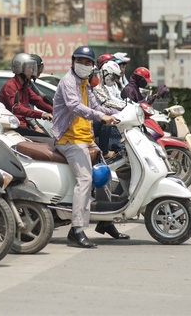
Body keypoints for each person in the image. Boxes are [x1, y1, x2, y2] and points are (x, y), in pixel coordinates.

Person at [51, 45, 129, 248]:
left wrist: (118, 112)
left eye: (88, 63)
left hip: (85, 138)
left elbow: (95, 107)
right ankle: (76, 230)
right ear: (73, 62)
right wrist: (101, 116)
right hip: (69, 139)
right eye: (80, 61)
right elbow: (75, 106)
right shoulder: (68, 81)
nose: (84, 65)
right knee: (85, 179)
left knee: (103, 176)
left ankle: (105, 222)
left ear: (93, 65)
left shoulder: (85, 83)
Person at [0, 53, 53, 137]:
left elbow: (37, 100)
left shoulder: (24, 86)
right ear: (20, 68)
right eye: (29, 67)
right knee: (45, 140)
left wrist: (55, 111)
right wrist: (42, 114)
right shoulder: (10, 86)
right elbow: (17, 108)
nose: (32, 70)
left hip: (23, 126)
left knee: (47, 139)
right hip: (13, 128)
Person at [92, 61, 126, 158]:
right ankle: (104, 152)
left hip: (93, 115)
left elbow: (109, 100)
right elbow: (105, 102)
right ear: (106, 73)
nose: (114, 80)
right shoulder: (96, 85)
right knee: (106, 121)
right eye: (113, 77)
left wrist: (122, 105)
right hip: (87, 119)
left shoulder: (101, 84)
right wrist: (123, 107)